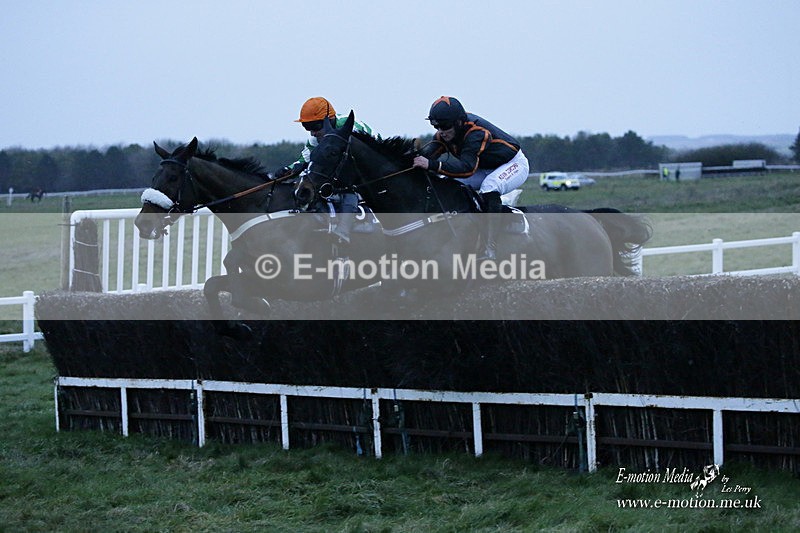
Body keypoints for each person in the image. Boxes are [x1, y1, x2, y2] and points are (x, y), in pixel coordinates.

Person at [412, 96, 530, 260]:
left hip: (513, 164)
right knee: (447, 184)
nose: (441, 131)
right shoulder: (444, 134)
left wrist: (432, 165)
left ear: (459, 122)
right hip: (484, 167)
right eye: (436, 126)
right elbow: (428, 154)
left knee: (490, 186)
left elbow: (467, 169)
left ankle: (490, 248)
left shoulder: (476, 133)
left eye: (444, 126)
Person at [274, 97, 379, 245]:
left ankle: (344, 230)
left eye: (315, 127)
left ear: (329, 120)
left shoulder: (352, 128)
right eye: (307, 127)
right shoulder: (315, 139)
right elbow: (304, 159)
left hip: (371, 167)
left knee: (345, 183)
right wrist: (288, 169)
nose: (312, 133)